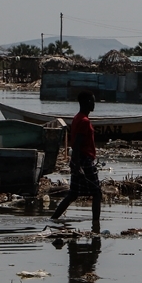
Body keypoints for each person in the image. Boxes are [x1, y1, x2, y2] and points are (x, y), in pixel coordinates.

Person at [51, 91, 102, 230]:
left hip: (80, 160)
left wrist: (75, 164)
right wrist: (78, 166)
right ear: (85, 103)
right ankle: (96, 226)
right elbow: (77, 144)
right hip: (84, 160)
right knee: (97, 193)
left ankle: (53, 219)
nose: (94, 104)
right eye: (91, 101)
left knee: (73, 194)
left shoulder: (78, 118)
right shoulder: (84, 121)